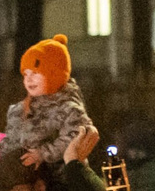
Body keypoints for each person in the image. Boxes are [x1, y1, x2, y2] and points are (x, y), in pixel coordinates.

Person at [5, 36, 91, 167]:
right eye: (25, 74)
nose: (29, 79)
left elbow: (74, 139)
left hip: (55, 176)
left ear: (54, 74)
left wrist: (42, 154)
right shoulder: (19, 110)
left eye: (35, 73)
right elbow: (10, 140)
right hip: (20, 170)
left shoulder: (69, 109)